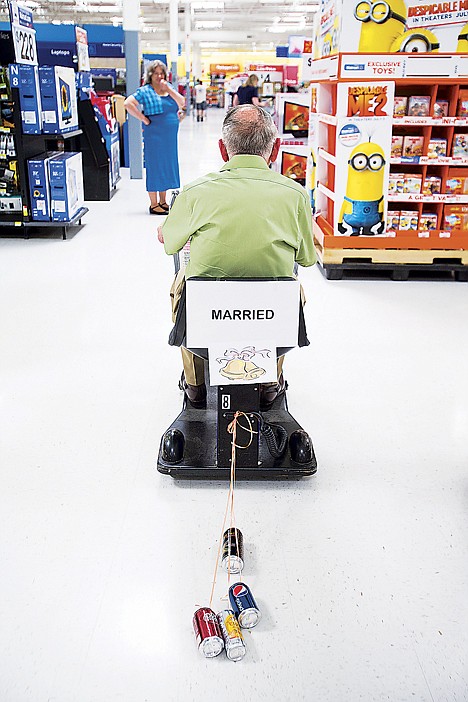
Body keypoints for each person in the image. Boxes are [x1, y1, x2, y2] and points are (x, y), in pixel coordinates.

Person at [158, 104, 316, 407]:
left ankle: (195, 385)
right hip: (270, 312)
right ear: (276, 148)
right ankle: (270, 382)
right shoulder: (295, 193)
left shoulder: (195, 191)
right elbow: (307, 258)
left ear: (222, 149)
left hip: (209, 313)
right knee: (293, 287)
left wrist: (168, 230)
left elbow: (170, 244)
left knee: (180, 286)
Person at [124, 60, 186, 215]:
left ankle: (163, 201)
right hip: (155, 135)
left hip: (169, 137)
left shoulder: (168, 89)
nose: (159, 76)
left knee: (166, 165)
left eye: (162, 73)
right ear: (150, 75)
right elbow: (128, 103)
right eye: (156, 73)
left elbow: (182, 102)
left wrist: (168, 90)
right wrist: (143, 119)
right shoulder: (145, 91)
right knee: (155, 166)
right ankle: (153, 204)